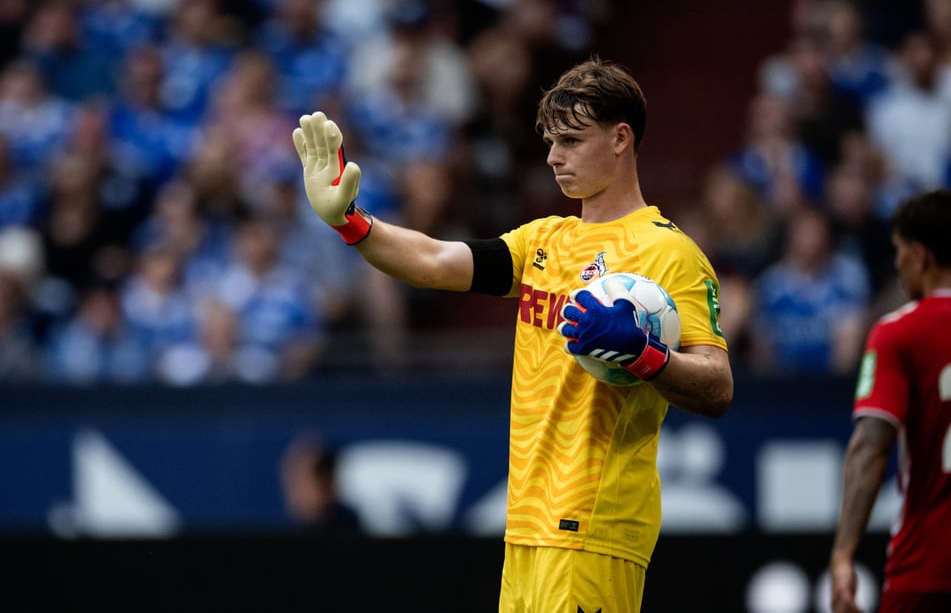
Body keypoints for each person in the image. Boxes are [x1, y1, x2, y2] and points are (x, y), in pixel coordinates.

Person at [292, 57, 733, 613]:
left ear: (621, 139)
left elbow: (717, 387)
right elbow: (433, 259)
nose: (553, 156)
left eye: (571, 140)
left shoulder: (670, 253)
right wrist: (351, 222)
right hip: (526, 525)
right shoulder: (544, 239)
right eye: (550, 141)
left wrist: (646, 355)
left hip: (593, 525)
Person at [830, 189, 951, 613]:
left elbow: (869, 448)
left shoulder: (900, 332)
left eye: (899, 253)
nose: (897, 266)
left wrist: (843, 554)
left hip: (930, 566)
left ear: (920, 256)